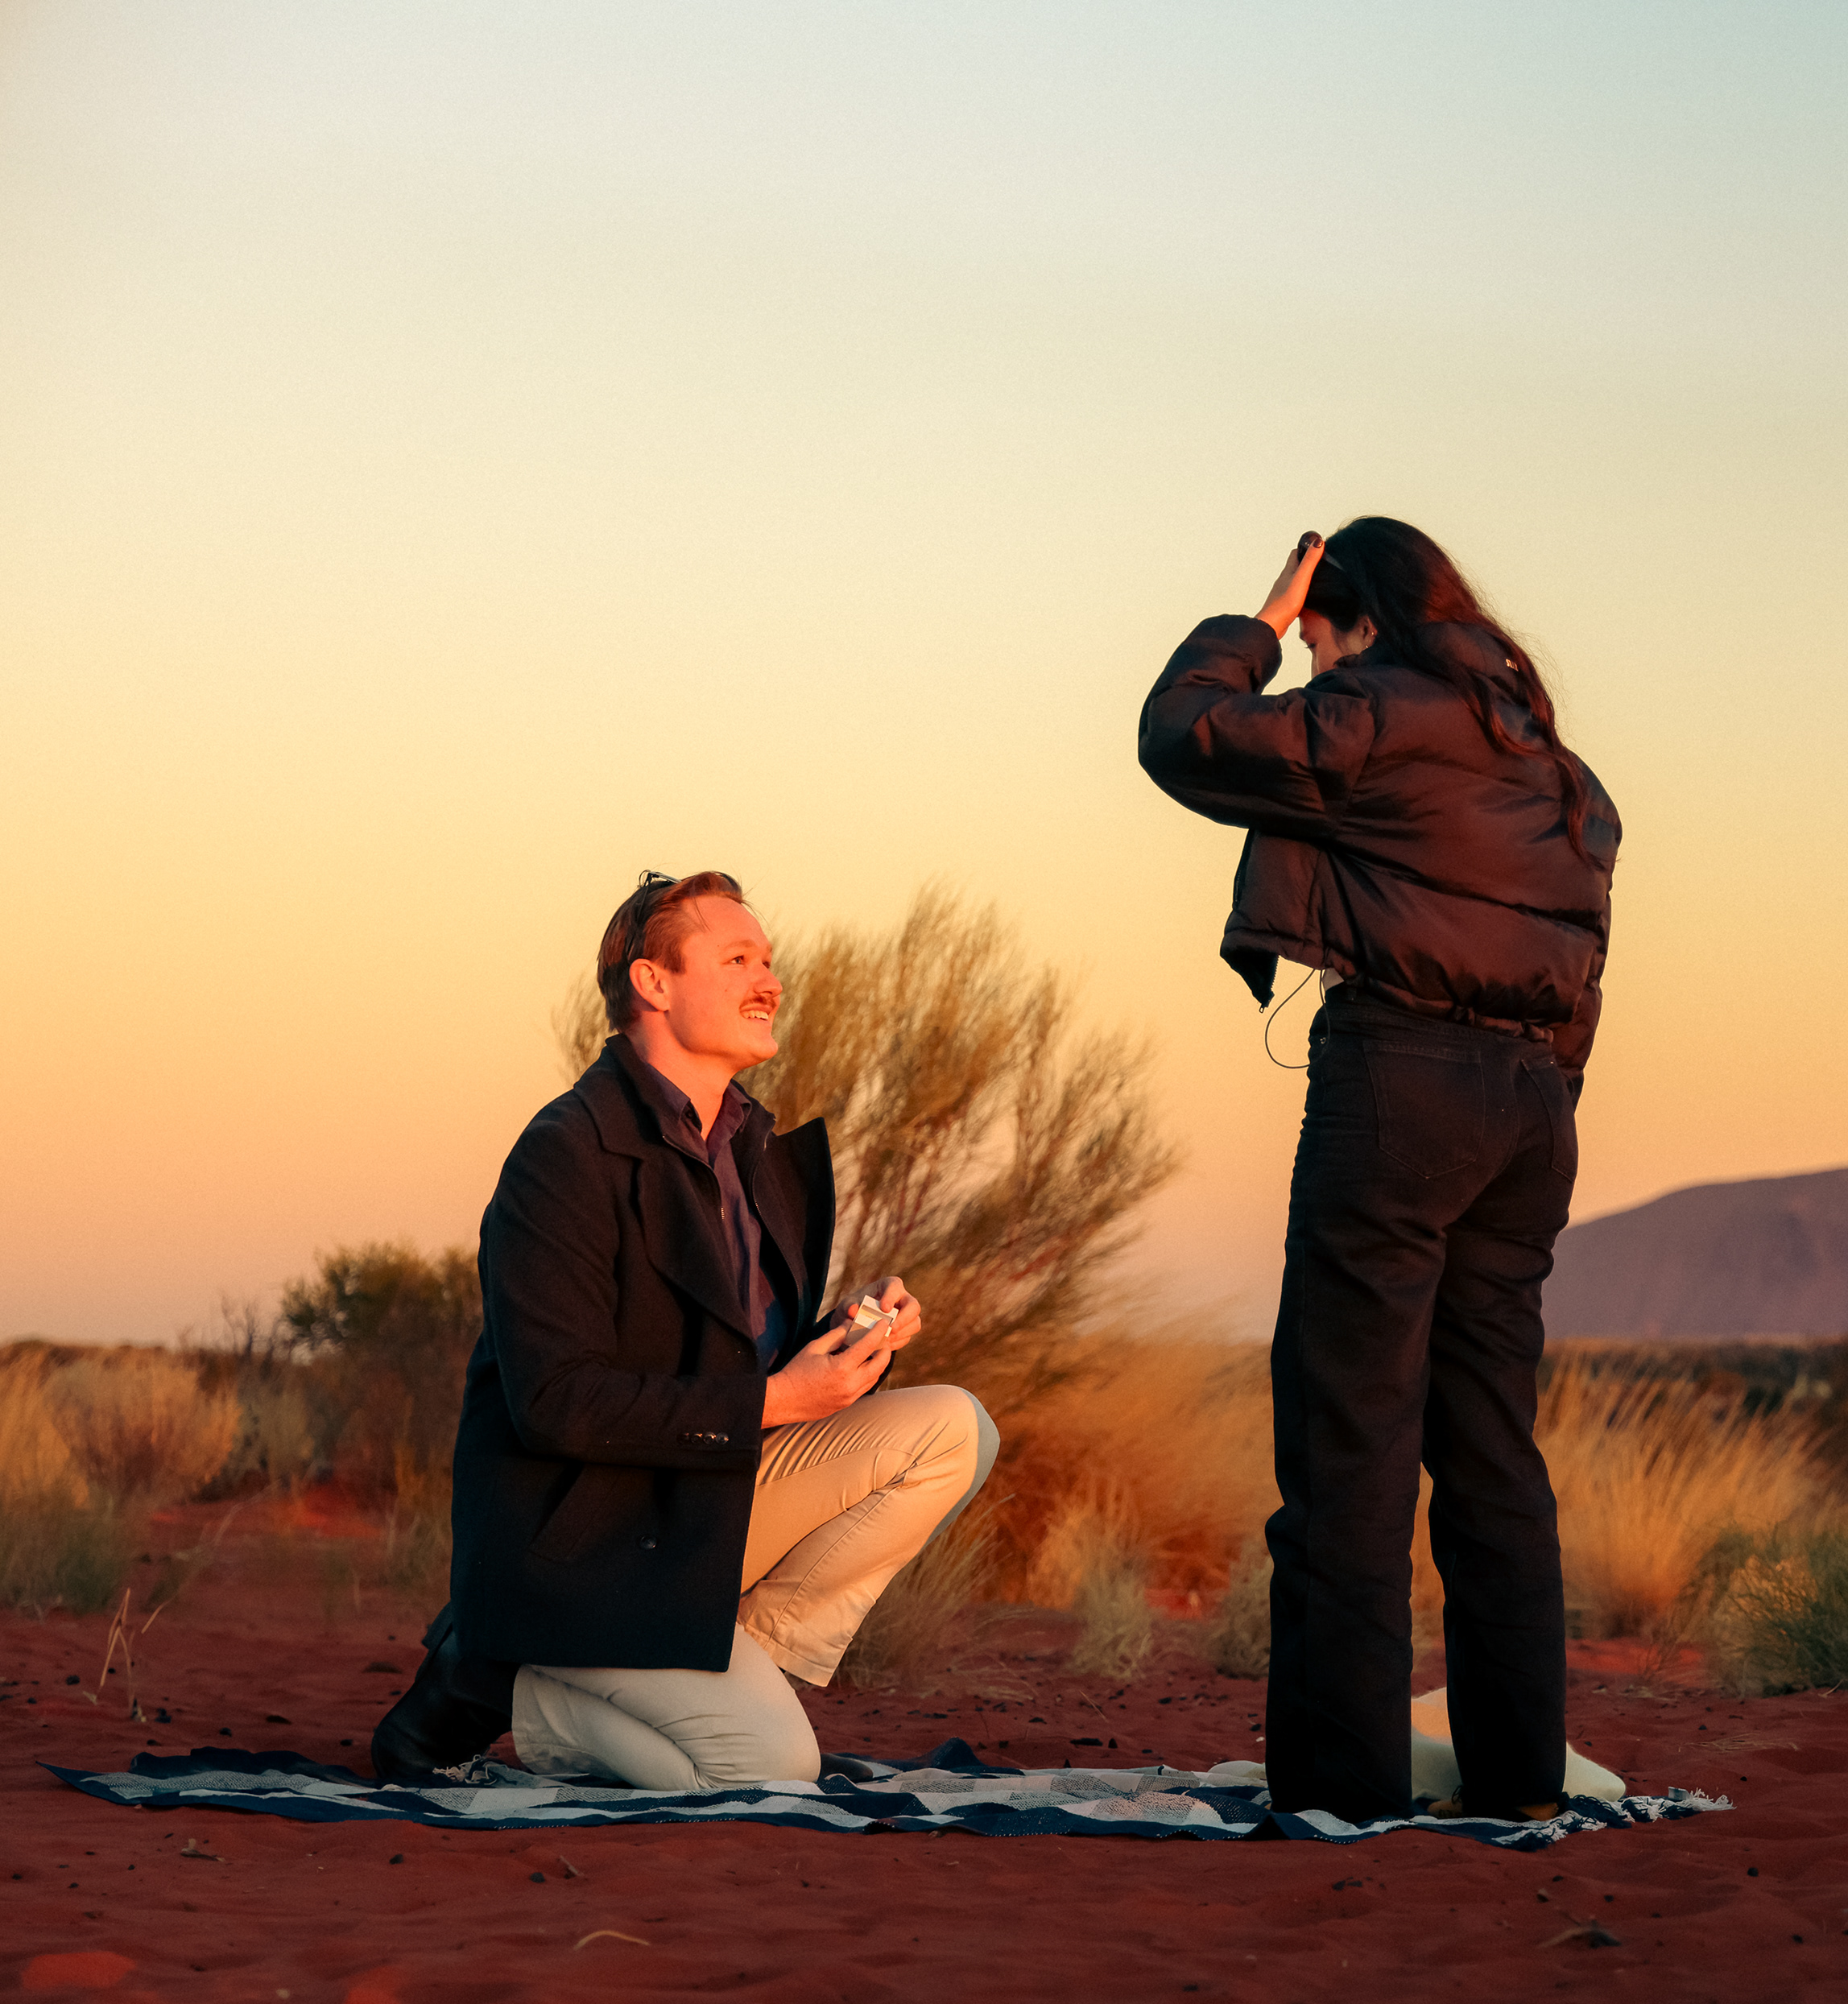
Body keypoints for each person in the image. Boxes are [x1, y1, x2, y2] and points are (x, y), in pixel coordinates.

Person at [1139, 518, 1623, 1823]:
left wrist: (1254, 621)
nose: (1306, 662)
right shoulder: (1555, 764)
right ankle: (1518, 1782)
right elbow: (1584, 964)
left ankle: (1341, 1802)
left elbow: (1184, 733)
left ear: (1353, 618)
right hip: (1532, 1112)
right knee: (1491, 1461)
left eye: (1315, 637)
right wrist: (1535, 1095)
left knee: (1349, 1454)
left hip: (1399, 1082)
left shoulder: (1376, 710)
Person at [370, 870, 997, 1789]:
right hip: (589, 1542)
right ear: (651, 983)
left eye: (770, 959)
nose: (770, 979)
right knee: (772, 1769)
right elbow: (553, 1400)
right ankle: (512, 1685)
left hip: (697, 1513)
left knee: (954, 1427)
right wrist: (780, 1399)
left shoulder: (750, 1148)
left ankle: (722, 1648)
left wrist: (843, 1338)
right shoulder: (567, 1151)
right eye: (738, 958)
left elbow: (730, 1359)